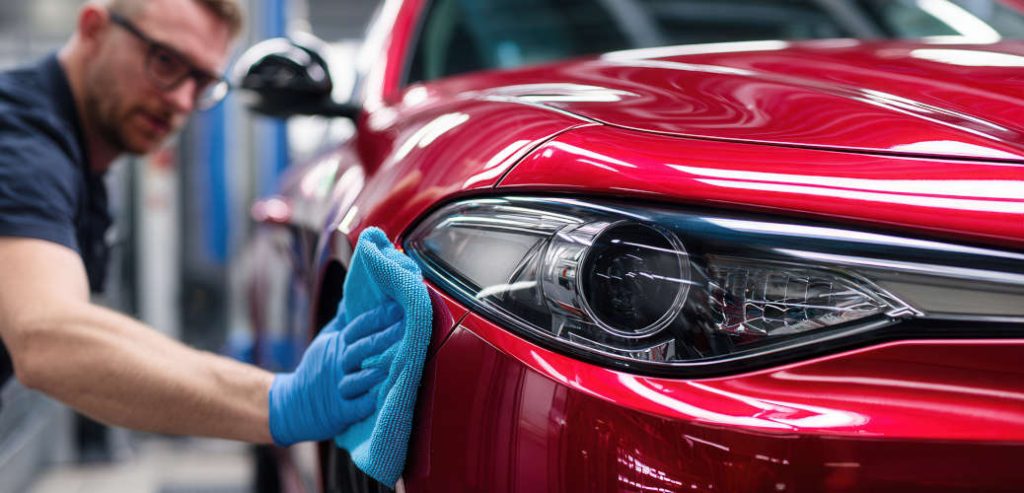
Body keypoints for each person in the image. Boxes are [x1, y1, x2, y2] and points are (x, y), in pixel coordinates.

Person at [0, 0, 399, 447]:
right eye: (166, 61)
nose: (181, 101)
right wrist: (278, 402)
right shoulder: (19, 143)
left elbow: (72, 325)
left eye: (202, 82)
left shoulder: (71, 156)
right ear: (92, 28)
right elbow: (48, 340)